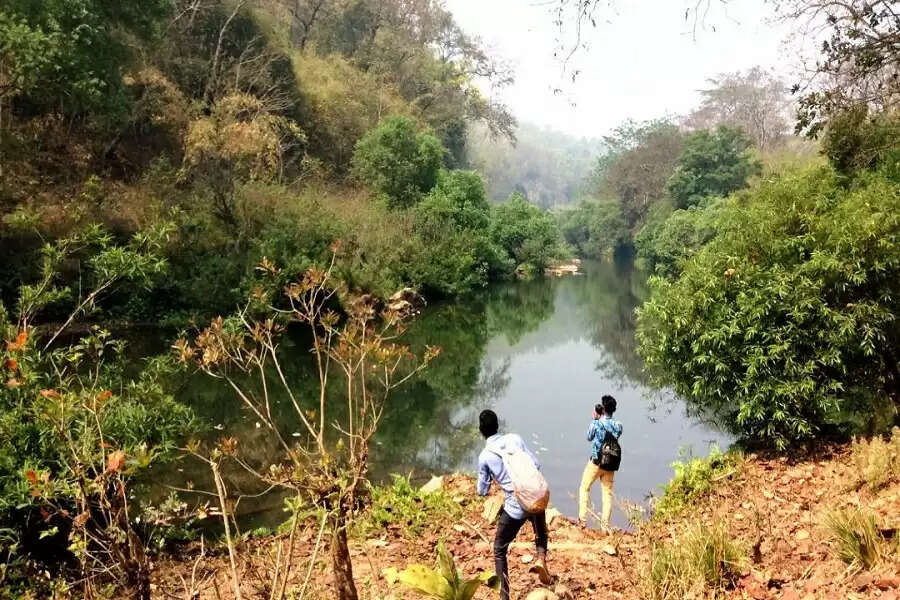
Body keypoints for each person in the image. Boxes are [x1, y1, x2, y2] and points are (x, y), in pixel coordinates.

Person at [476, 409, 551, 600]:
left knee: (499, 549)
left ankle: (504, 596)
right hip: (536, 496)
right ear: (498, 425)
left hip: (515, 507)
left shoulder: (485, 456)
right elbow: (536, 463)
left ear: (481, 431)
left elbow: (482, 491)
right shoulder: (515, 438)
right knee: (541, 532)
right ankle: (541, 558)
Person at [578, 394, 623, 530]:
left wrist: (595, 419)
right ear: (613, 409)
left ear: (602, 409)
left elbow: (589, 437)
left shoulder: (596, 423)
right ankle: (605, 526)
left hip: (596, 462)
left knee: (585, 487)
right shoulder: (618, 425)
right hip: (610, 463)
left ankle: (583, 521)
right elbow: (615, 434)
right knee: (607, 493)